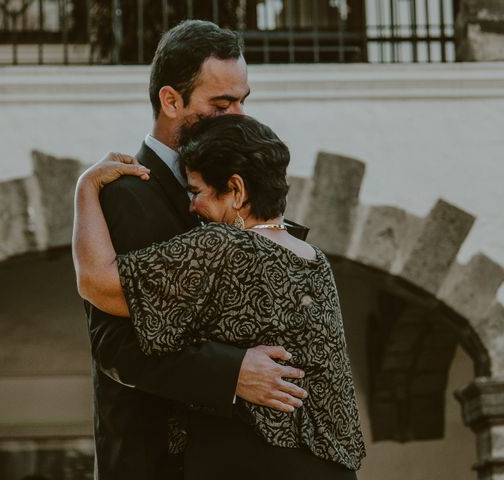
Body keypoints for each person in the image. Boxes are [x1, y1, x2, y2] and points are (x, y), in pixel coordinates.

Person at [74, 114, 365, 479]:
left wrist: (86, 188)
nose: (192, 207)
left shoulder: (222, 246)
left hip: (250, 463)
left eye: (197, 192)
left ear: (236, 190)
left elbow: (97, 283)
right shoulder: (315, 260)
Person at [80, 19, 310, 480]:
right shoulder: (125, 195)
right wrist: (232, 372)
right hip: (159, 464)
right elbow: (116, 345)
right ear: (171, 101)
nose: (238, 116)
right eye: (221, 104)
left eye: (243, 101)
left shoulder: (238, 181)